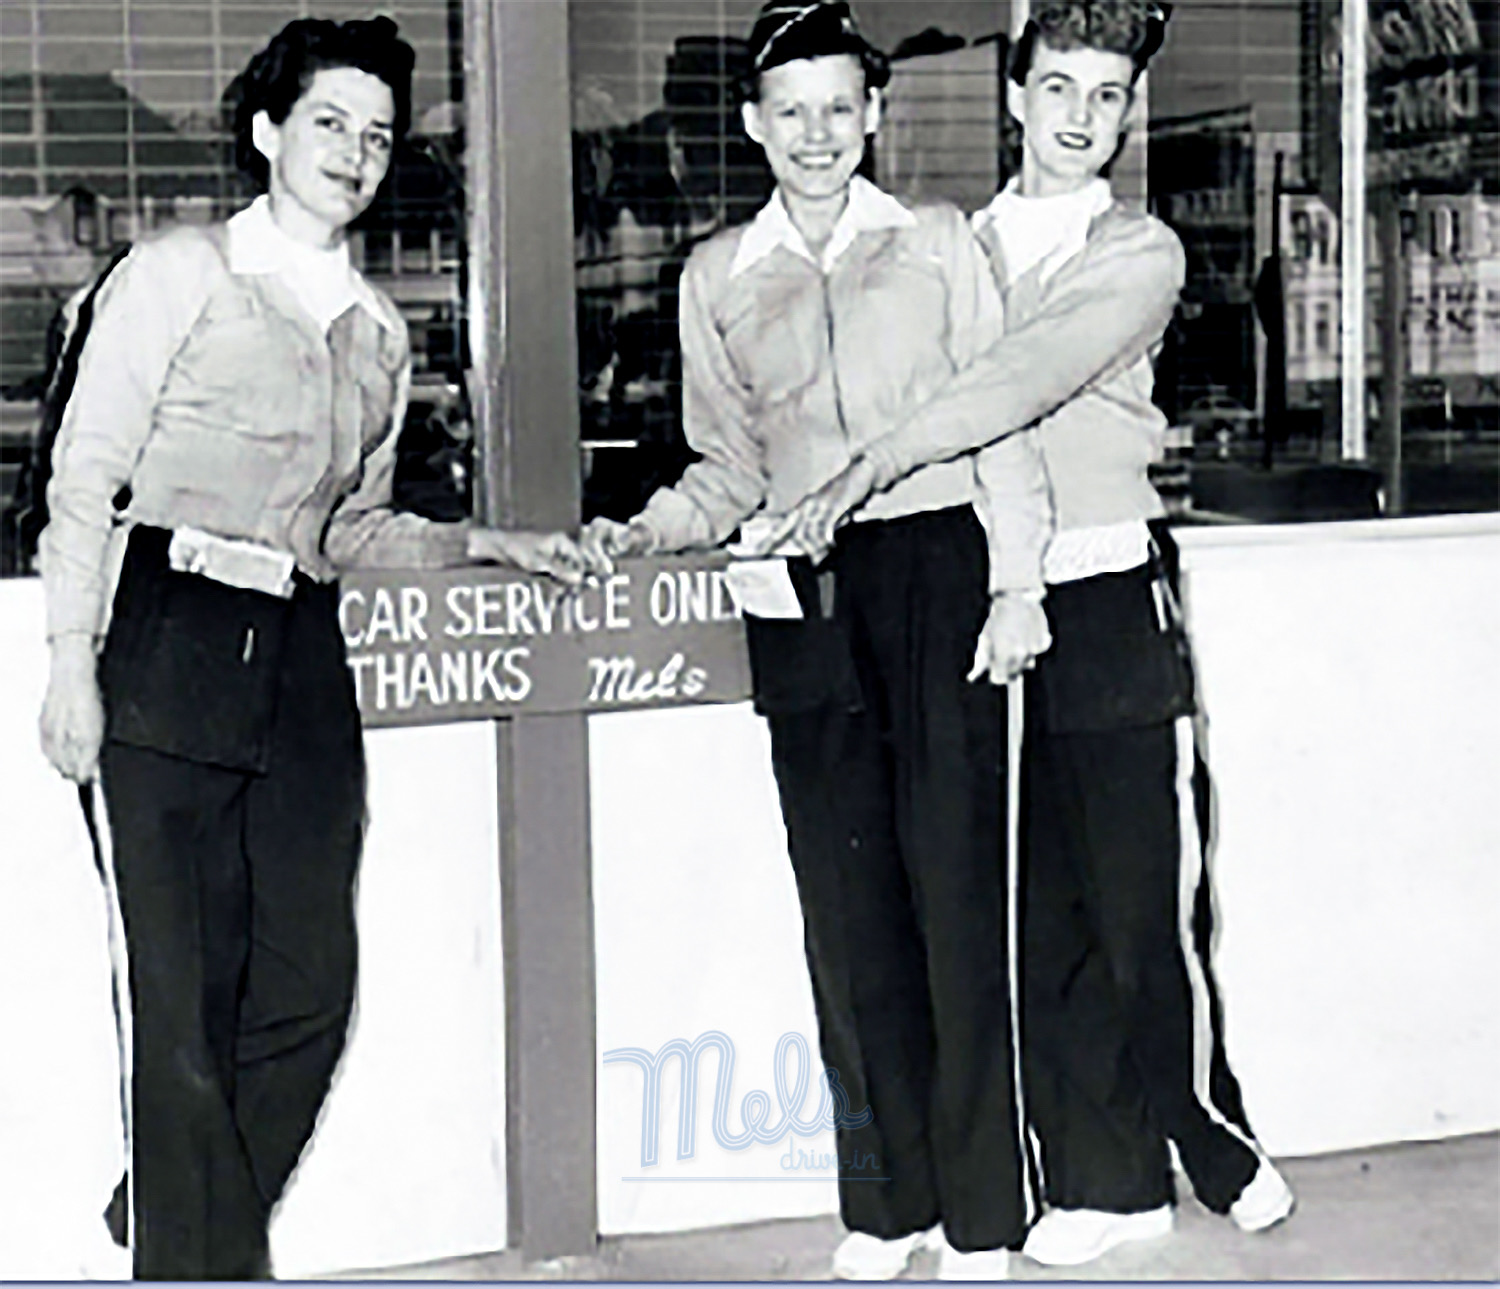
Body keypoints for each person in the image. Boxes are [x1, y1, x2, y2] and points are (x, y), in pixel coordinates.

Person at [37, 17, 589, 1280]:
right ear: (267, 131)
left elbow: (352, 526)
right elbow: (87, 472)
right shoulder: (180, 273)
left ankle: (175, 1209)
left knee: (306, 989)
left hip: (297, 654)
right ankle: (202, 1256)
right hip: (163, 638)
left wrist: (485, 542)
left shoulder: (378, 335)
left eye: (380, 135)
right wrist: (71, 655)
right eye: (331, 122)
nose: (357, 152)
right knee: (178, 1010)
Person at [768, 0, 1297, 1268]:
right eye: (1058, 86)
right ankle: (1106, 1177)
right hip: (989, 595)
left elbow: (1011, 382)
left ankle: (1211, 1137)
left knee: (1143, 900)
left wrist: (868, 463)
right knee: (1034, 914)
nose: (1079, 117)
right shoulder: (949, 242)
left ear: (1128, 112)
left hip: (1109, 590)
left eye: (1107, 95)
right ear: (1015, 95)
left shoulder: (1143, 252)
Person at [583, 3, 1052, 1279]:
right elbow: (727, 459)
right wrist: (650, 529)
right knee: (844, 909)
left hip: (937, 564)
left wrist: (1017, 583)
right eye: (791, 110)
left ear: (876, 116)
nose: (817, 133)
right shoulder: (714, 277)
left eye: (841, 107)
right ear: (754, 124)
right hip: (802, 591)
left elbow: (998, 417)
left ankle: (980, 1216)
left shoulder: (942, 244)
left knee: (956, 894)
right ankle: (884, 1205)